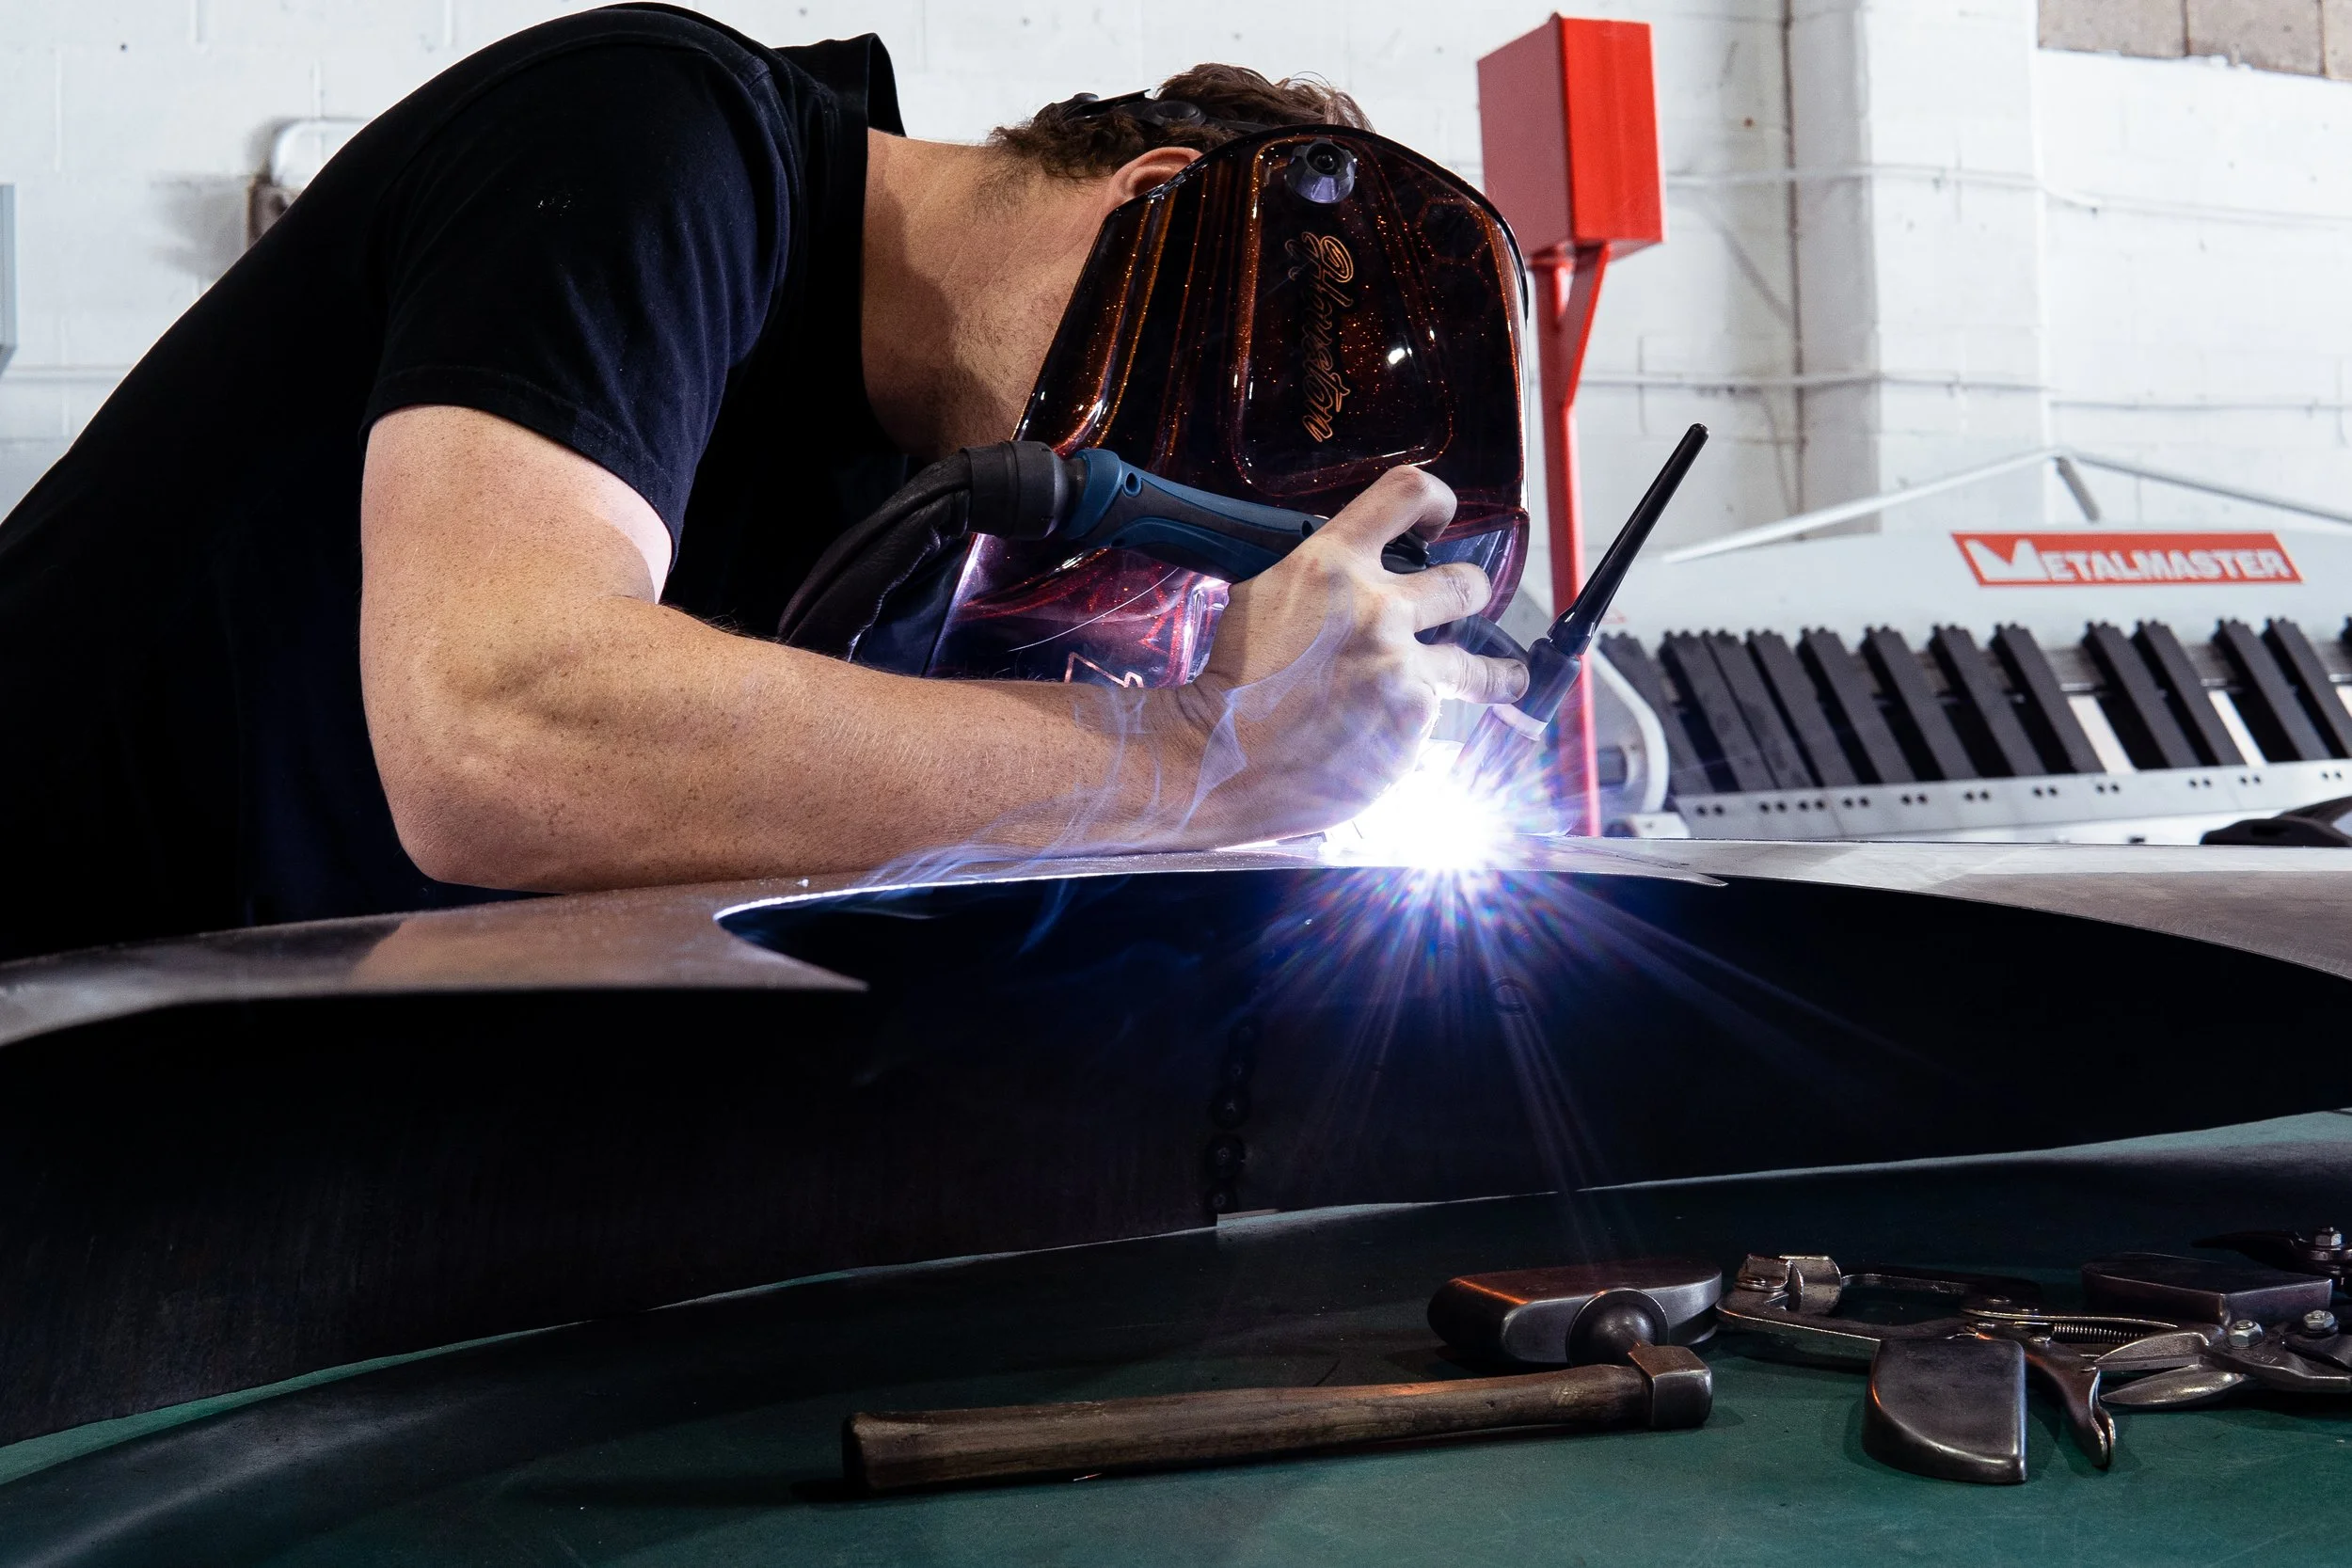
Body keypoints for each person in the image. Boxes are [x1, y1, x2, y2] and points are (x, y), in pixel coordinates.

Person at [0, 3, 1525, 962]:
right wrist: (1201, 756)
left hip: (223, 1080)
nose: (1149, 566)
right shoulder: (652, 137)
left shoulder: (917, 515)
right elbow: (497, 733)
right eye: (1183, 483)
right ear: (1148, 204)